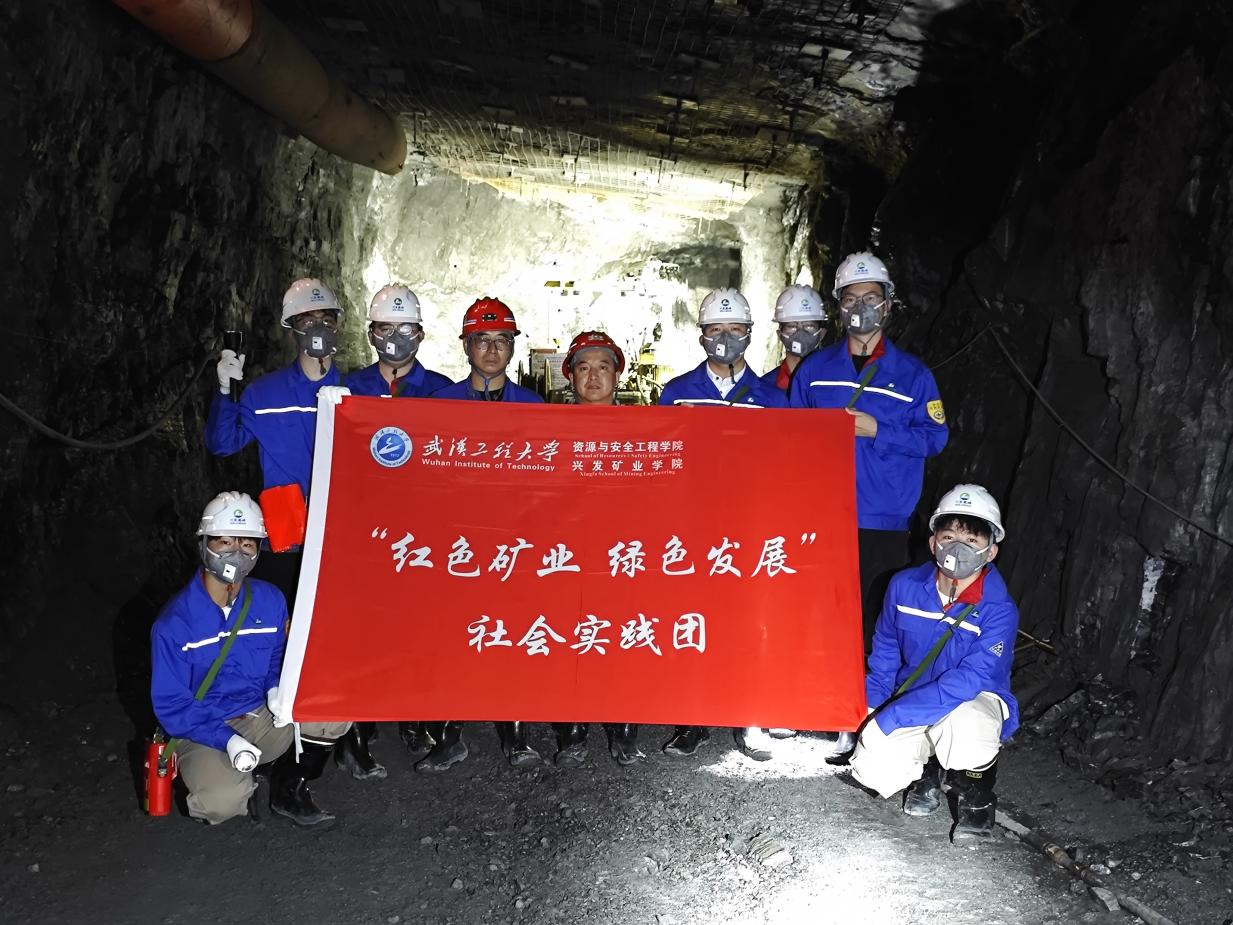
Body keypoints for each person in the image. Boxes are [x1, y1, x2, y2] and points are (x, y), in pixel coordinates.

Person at [204, 279, 380, 782]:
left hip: (345, 539)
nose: (317, 328)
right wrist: (225, 389)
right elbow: (222, 443)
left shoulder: (360, 393)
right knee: (283, 638)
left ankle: (351, 736)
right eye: (307, 320)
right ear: (290, 329)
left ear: (338, 327)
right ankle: (284, 741)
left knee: (347, 636)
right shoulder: (264, 394)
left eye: (326, 319)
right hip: (288, 540)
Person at [150, 492, 350, 826]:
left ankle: (289, 785)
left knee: (333, 704)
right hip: (202, 727)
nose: (236, 553)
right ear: (203, 544)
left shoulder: (269, 601)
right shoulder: (174, 624)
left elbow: (276, 656)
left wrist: (275, 690)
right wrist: (228, 740)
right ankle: (233, 780)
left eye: (247, 544)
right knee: (219, 803)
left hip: (261, 715)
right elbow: (173, 707)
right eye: (225, 541)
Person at [789, 253, 948, 651]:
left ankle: (865, 687)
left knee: (874, 621)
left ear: (888, 305)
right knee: (816, 613)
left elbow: (935, 438)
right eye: (851, 298)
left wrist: (878, 431)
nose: (861, 307)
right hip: (822, 516)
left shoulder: (914, 375)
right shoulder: (815, 371)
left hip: (883, 519)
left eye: (871, 297)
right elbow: (790, 438)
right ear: (839, 307)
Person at [657, 288, 786, 762]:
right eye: (716, 329)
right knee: (692, 621)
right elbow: (661, 462)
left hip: (752, 527)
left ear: (750, 334)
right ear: (701, 335)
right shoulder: (676, 393)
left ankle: (750, 716)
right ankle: (692, 718)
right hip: (694, 526)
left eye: (735, 330)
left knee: (750, 623)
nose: (725, 338)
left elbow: (788, 465)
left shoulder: (773, 398)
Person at [848, 484, 1018, 840]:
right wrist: (873, 706)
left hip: (974, 699)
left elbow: (969, 680)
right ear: (933, 542)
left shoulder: (998, 609)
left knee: (965, 724)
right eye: (949, 536)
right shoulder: (903, 587)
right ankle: (927, 772)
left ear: (991, 551)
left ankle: (977, 798)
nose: (958, 547)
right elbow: (886, 647)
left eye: (971, 540)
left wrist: (895, 716)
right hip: (913, 694)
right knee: (872, 766)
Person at [418, 297, 545, 773]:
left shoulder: (535, 408)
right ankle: (448, 735)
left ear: (512, 347)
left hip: (515, 543)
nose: (492, 350)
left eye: (501, 341)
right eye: (482, 340)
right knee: (451, 637)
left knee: (512, 635)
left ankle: (515, 733)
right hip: (458, 545)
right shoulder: (439, 405)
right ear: (466, 346)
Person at [548, 331, 646, 767]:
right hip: (566, 554)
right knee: (568, 639)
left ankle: (624, 728)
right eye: (583, 368)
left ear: (617, 375)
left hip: (622, 553)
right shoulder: (549, 430)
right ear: (570, 376)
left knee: (622, 638)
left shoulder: (645, 430)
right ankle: (571, 729)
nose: (593, 377)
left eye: (603, 367)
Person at [347, 284, 452, 400]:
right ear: (371, 337)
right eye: (386, 329)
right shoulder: (349, 387)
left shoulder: (443, 390)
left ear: (420, 336)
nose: (396, 336)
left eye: (406, 328)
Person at [761, 284, 827, 396]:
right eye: (792, 326)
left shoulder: (834, 383)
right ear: (780, 335)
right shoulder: (764, 387)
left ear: (822, 333)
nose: (800, 332)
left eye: (809, 326)